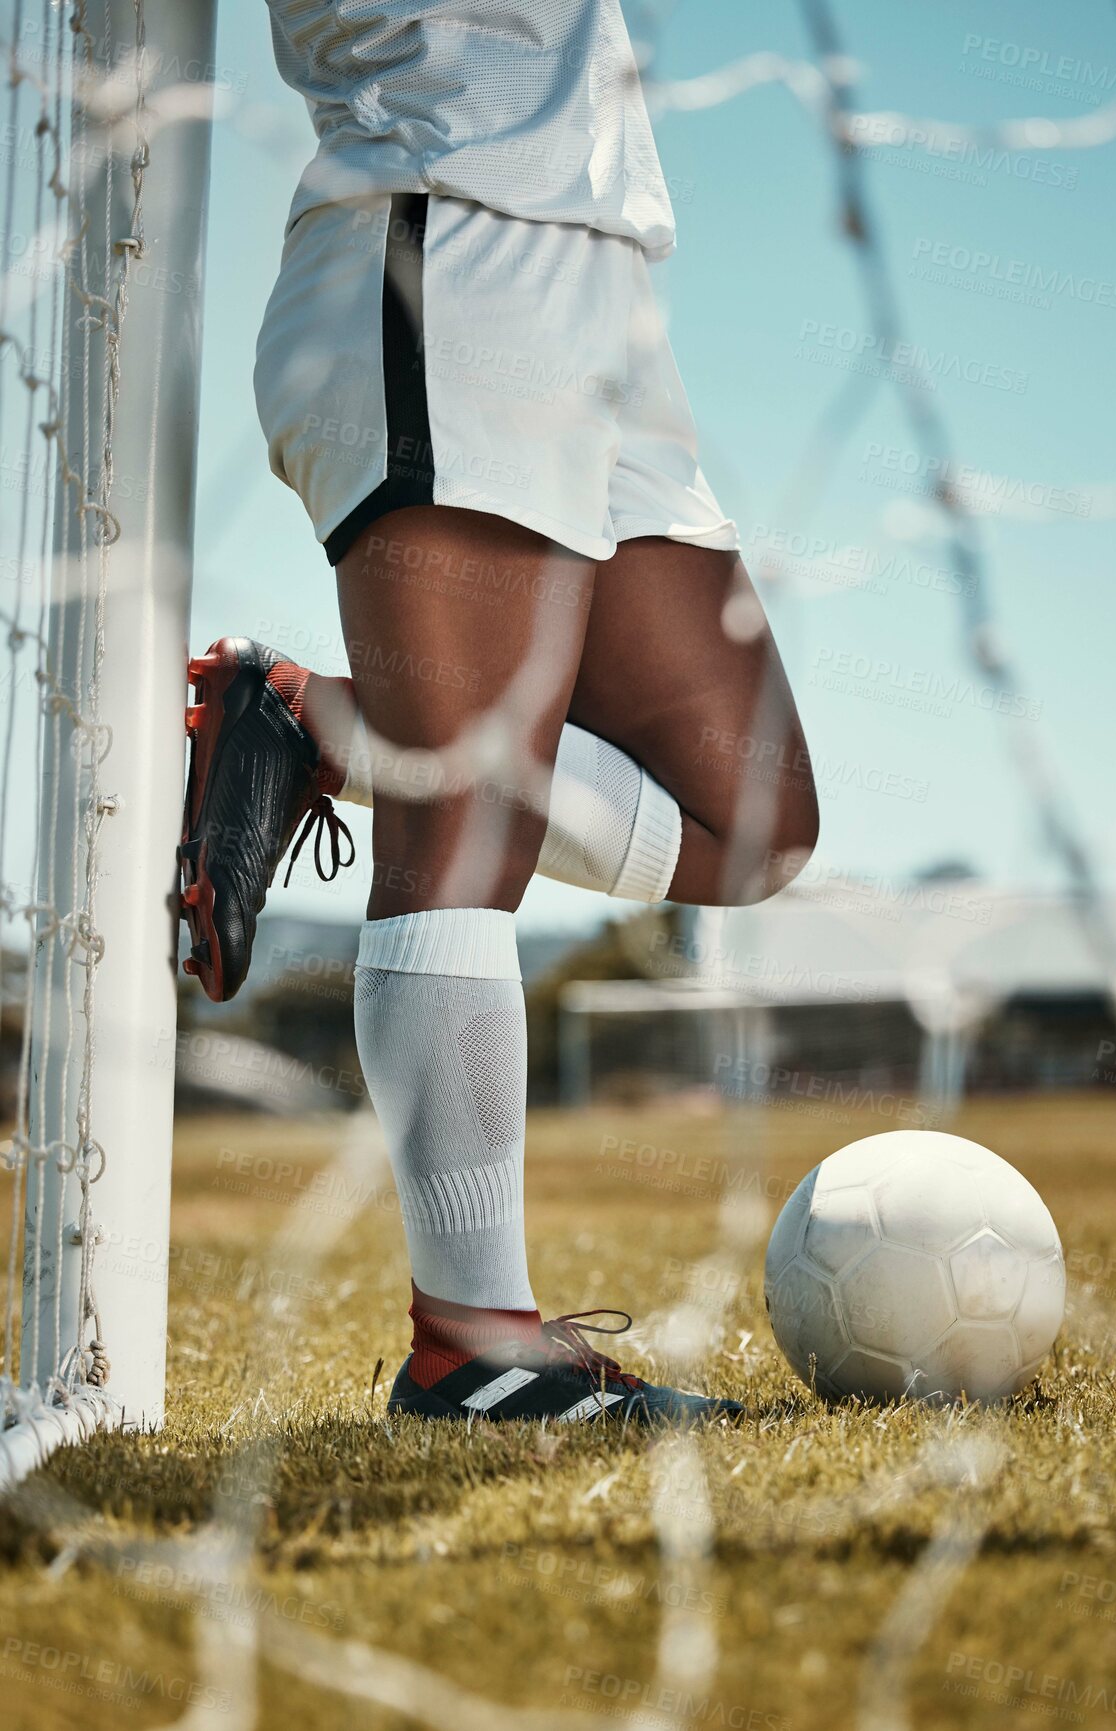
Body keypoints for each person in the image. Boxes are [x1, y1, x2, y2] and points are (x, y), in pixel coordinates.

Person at [180, 1, 819, 1423]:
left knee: (752, 821)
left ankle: (315, 730)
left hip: (601, 286)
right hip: (442, 236)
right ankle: (467, 1344)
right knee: (464, 806)